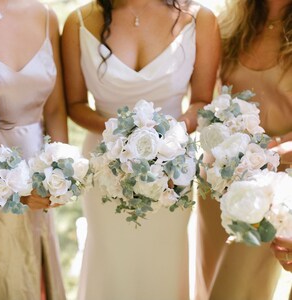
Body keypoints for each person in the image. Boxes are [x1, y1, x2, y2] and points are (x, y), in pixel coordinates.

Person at [62, 0, 220, 299]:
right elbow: (75, 105)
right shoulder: (78, 22)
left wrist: (167, 134)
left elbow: (201, 100)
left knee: (163, 261)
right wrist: (121, 133)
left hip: (171, 168)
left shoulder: (200, 19)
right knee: (111, 260)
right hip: (105, 164)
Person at [194, 0, 292, 299]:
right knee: (209, 284)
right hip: (218, 178)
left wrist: (276, 152)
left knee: (234, 291)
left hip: (276, 186)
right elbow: (202, 101)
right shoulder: (226, 24)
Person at [0, 0, 68, 299]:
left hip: (36, 184)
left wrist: (61, 170)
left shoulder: (45, 16)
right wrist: (11, 189)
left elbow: (55, 108)